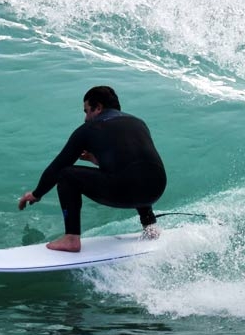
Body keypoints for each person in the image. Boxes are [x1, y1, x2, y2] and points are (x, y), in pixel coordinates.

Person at [17, 86, 166, 252]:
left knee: (66, 175)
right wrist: (97, 160)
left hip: (127, 191)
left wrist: (37, 194)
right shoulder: (138, 122)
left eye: (87, 111)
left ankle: (71, 238)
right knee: (139, 171)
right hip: (157, 188)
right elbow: (131, 162)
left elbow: (58, 166)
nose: (86, 118)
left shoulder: (88, 129)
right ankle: (150, 227)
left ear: (98, 108)